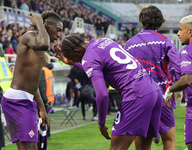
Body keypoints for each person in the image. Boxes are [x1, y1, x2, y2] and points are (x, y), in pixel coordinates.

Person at [54, 34, 163, 149]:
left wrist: (101, 123)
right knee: (143, 148)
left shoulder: (88, 58)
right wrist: (72, 63)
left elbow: (102, 95)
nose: (75, 60)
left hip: (136, 96)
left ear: (77, 51)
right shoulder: (104, 41)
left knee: (115, 148)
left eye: (73, 58)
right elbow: (95, 65)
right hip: (153, 91)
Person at [1, 11, 63, 150]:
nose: (59, 34)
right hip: (17, 101)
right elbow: (44, 44)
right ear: (47, 24)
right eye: (58, 29)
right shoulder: (29, 37)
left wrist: (41, 108)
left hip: (25, 101)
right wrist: (39, 22)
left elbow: (33, 84)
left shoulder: (39, 48)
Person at [124, 5, 181, 150]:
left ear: (141, 21)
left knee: (142, 146)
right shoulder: (165, 41)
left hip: (139, 98)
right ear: (160, 21)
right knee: (168, 142)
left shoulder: (128, 45)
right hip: (162, 97)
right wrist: (178, 87)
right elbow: (178, 67)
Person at [164, 14, 192, 150]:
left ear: (190, 32)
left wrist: (170, 90)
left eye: (180, 29)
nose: (178, 34)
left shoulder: (188, 51)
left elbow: (186, 80)